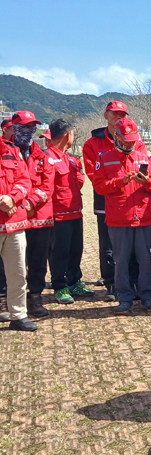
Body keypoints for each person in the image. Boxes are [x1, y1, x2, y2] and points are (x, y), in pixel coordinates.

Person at [92, 118, 151, 315]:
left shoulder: (144, 158)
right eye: (126, 140)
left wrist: (147, 182)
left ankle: (147, 296)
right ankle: (124, 298)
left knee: (145, 259)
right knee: (120, 260)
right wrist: (119, 181)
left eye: (132, 140)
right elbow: (99, 186)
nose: (129, 144)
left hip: (143, 217)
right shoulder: (104, 159)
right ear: (116, 137)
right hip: (119, 218)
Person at [83, 101, 134, 301]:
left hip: (130, 200)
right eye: (114, 114)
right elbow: (94, 174)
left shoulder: (133, 139)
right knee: (108, 244)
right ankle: (110, 282)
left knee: (131, 243)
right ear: (106, 115)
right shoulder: (93, 143)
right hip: (105, 200)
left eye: (122, 114)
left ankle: (131, 281)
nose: (118, 117)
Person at [11, 111, 55, 319]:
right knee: (11, 262)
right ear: (13, 128)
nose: (28, 132)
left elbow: (48, 185)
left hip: (39, 217)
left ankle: (35, 297)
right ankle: (7, 300)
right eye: (24, 127)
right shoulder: (6, 153)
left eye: (32, 127)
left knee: (38, 260)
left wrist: (30, 202)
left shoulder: (43, 156)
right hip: (12, 218)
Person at [47, 119, 91, 304]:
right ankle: (59, 285)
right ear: (68, 135)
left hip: (75, 212)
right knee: (59, 252)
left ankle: (74, 281)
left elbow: (79, 181)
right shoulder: (47, 158)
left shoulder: (71, 158)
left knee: (76, 250)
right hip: (58, 215)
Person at [0, 136, 35, 330]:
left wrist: (13, 198)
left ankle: (18, 315)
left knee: (18, 273)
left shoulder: (11, 151)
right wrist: (2, 201)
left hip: (14, 224)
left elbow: (24, 179)